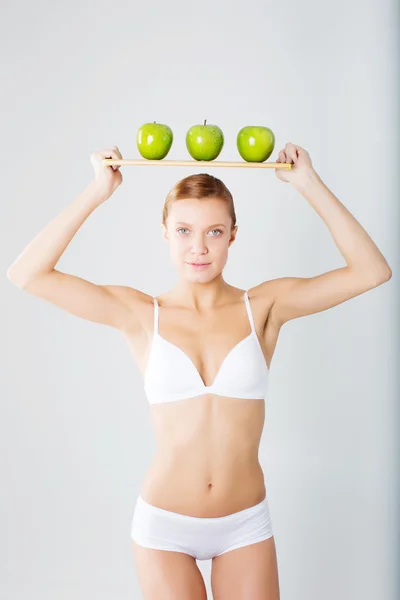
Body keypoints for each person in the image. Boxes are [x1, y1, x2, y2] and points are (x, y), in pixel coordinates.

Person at [7, 143, 392, 600]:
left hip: (244, 523)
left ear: (233, 236)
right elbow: (27, 273)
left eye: (213, 232)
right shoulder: (140, 313)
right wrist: (97, 191)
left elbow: (372, 271)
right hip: (165, 527)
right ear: (165, 233)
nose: (198, 247)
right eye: (184, 230)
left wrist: (308, 183)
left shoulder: (264, 307)